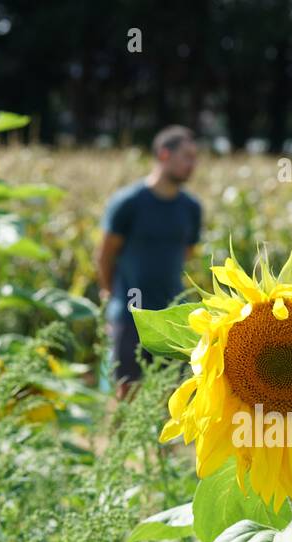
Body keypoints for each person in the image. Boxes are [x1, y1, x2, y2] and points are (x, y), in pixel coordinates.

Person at [95, 125, 202, 396]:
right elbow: (105, 255)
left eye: (195, 157)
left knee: (170, 395)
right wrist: (110, 295)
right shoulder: (129, 202)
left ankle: (160, 441)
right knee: (128, 393)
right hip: (130, 312)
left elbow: (187, 253)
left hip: (172, 314)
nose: (193, 164)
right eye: (186, 156)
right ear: (164, 155)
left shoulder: (191, 208)